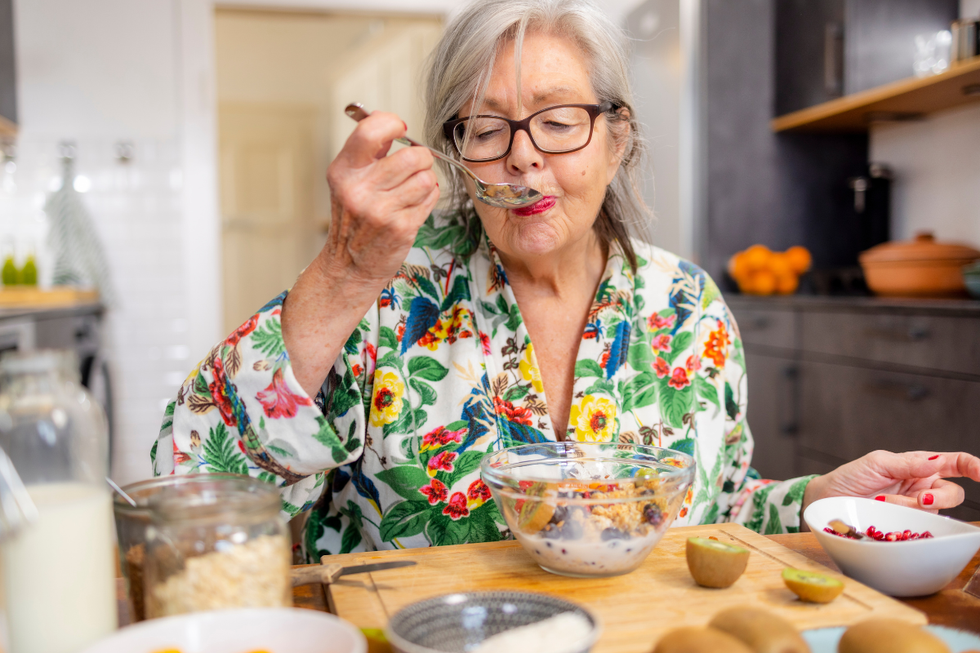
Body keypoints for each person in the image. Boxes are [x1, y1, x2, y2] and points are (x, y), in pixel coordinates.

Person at [153, 0, 980, 559]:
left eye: (557, 121)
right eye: (487, 129)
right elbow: (187, 489)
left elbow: (717, 509)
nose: (523, 156)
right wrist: (342, 271)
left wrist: (820, 500)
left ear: (617, 140)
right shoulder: (382, 295)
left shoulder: (687, 307)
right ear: (455, 156)